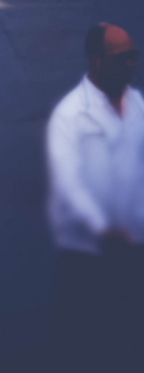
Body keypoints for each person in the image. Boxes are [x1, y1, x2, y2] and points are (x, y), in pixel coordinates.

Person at [45, 23, 144, 371]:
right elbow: (70, 184)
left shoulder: (137, 106)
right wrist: (104, 228)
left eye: (133, 56)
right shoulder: (71, 116)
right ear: (97, 61)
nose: (130, 65)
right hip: (88, 250)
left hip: (133, 245)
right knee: (85, 336)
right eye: (122, 58)